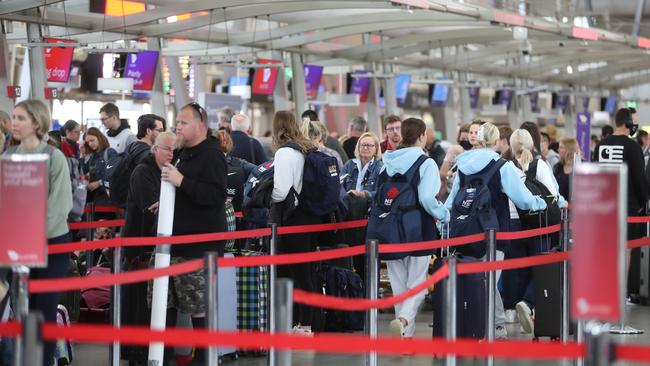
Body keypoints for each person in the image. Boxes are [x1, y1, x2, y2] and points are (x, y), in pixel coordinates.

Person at [445, 122, 547, 339]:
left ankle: (498, 326)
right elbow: (523, 199)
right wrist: (540, 203)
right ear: (497, 141)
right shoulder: (502, 166)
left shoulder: (463, 165)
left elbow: (452, 199)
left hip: (464, 231)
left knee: (484, 281)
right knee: (488, 281)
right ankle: (487, 329)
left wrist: (443, 220)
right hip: (494, 233)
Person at [4, 99, 72, 365]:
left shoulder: (54, 158)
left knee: (42, 312)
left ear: (36, 122)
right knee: (19, 312)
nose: (15, 123)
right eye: (14, 117)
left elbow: (60, 207)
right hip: (17, 246)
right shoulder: (8, 157)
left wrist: (27, 236)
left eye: (21, 118)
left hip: (50, 245)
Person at [158, 102, 227, 364]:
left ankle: (206, 360)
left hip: (199, 246)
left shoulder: (211, 155)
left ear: (200, 125)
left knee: (199, 308)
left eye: (184, 122)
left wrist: (181, 181)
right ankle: (162, 357)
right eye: (177, 121)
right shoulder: (182, 154)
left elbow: (216, 195)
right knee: (168, 306)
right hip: (174, 245)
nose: (178, 126)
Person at [379, 117, 449, 339]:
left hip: (390, 228)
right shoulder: (425, 163)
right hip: (418, 227)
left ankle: (404, 336)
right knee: (418, 283)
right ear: (421, 136)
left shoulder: (387, 162)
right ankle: (403, 320)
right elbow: (427, 198)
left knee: (399, 285)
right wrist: (443, 214)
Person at [121, 131, 176, 365]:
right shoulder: (143, 171)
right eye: (167, 149)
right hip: (140, 248)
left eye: (175, 150)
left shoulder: (166, 172)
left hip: (155, 248)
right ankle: (136, 351)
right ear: (155, 149)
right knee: (139, 304)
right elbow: (152, 209)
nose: (172, 154)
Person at [270, 110, 324, 333]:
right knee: (307, 273)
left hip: (293, 220)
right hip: (310, 218)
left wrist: (268, 201)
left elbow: (281, 191)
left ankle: (304, 325)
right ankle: (308, 323)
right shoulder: (305, 148)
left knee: (297, 275)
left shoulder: (284, 153)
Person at [503, 129, 559, 334]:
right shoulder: (540, 164)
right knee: (540, 267)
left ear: (511, 146)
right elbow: (553, 193)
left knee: (513, 268)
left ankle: (509, 309)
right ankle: (528, 304)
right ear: (532, 144)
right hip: (539, 222)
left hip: (512, 223)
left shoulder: (507, 166)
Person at [596, 107, 647, 303]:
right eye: (634, 121)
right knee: (625, 249)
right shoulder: (633, 147)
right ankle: (619, 293)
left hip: (603, 208)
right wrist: (642, 203)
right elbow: (639, 179)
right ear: (627, 123)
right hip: (627, 207)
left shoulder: (601, 145)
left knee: (607, 249)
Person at [339, 132, 383, 281]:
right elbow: (339, 186)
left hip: (367, 216)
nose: (366, 148)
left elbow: (381, 193)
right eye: (363, 144)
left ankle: (368, 292)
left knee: (366, 260)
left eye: (370, 145)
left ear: (376, 149)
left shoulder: (380, 167)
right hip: (349, 215)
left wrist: (364, 194)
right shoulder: (349, 165)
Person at [82, 127, 117, 207]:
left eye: (92, 140)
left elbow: (115, 174)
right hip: (94, 198)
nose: (90, 144)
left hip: (107, 199)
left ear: (99, 138)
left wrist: (99, 183)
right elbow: (83, 171)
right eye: (88, 142)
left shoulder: (110, 153)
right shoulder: (92, 157)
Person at [553, 138, 579, 202]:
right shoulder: (558, 166)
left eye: (561, 147)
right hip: (561, 206)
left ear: (569, 149)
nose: (558, 150)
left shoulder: (580, 166)